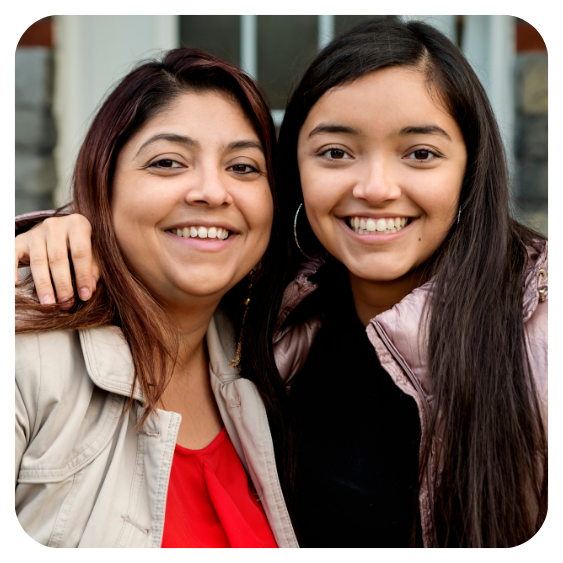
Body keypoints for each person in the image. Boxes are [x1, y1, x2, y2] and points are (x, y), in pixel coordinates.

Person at [15, 18, 549, 548]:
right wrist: (63, 228)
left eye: (420, 154)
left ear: (471, 170)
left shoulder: (535, 334)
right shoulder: (280, 319)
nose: (377, 187)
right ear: (296, 175)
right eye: (336, 152)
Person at [14, 48, 300, 549]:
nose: (213, 192)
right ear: (103, 187)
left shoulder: (269, 360)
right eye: (168, 162)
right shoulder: (31, 354)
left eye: (243, 166)